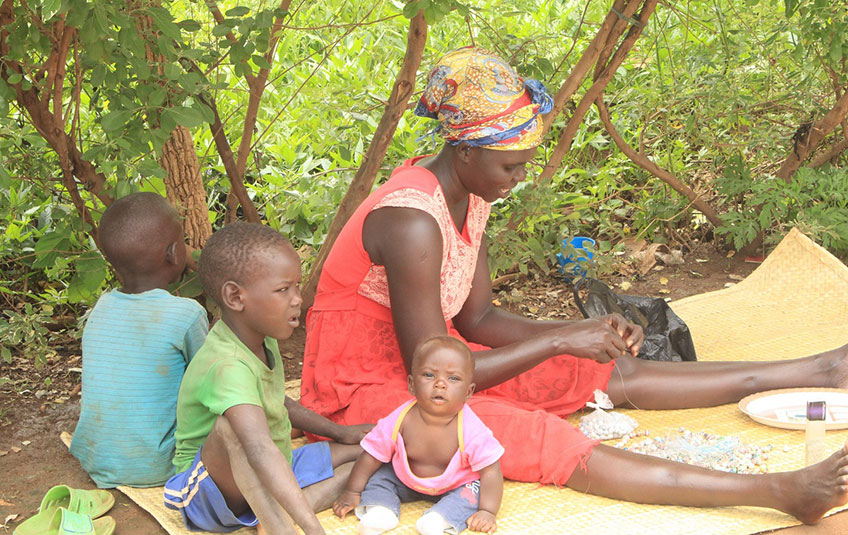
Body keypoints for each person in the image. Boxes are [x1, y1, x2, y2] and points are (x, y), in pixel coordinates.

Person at [301, 45, 848, 524]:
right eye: (511, 167)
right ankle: (780, 491)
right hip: (368, 391)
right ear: (465, 151)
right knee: (537, 437)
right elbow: (433, 369)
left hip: (433, 361)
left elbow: (478, 321)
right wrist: (559, 339)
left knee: (593, 368)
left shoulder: (468, 194)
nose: (519, 180)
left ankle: (817, 370)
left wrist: (581, 332)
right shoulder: (412, 220)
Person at [163, 222, 371, 535]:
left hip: (273, 465)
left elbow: (277, 402)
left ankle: (276, 512)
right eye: (283, 289)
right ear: (235, 296)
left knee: (375, 450)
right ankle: (280, 526)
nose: (298, 299)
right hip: (212, 492)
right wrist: (315, 530)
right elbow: (257, 449)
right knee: (230, 428)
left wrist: (340, 433)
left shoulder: (261, 334)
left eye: (297, 287)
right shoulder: (227, 366)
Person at [70, 192, 209, 488]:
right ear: (173, 253)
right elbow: (211, 384)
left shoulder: (101, 307)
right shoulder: (186, 314)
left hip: (96, 461)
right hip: (158, 467)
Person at [334, 336, 503, 535]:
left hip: (457, 484)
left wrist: (487, 510)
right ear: (412, 385)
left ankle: (438, 520)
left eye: (453, 378)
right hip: (406, 480)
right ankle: (381, 511)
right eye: (429, 375)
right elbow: (371, 455)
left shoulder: (472, 429)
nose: (440, 384)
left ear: (468, 392)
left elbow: (491, 471)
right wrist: (353, 491)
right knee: (379, 477)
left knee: (472, 492)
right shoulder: (400, 419)